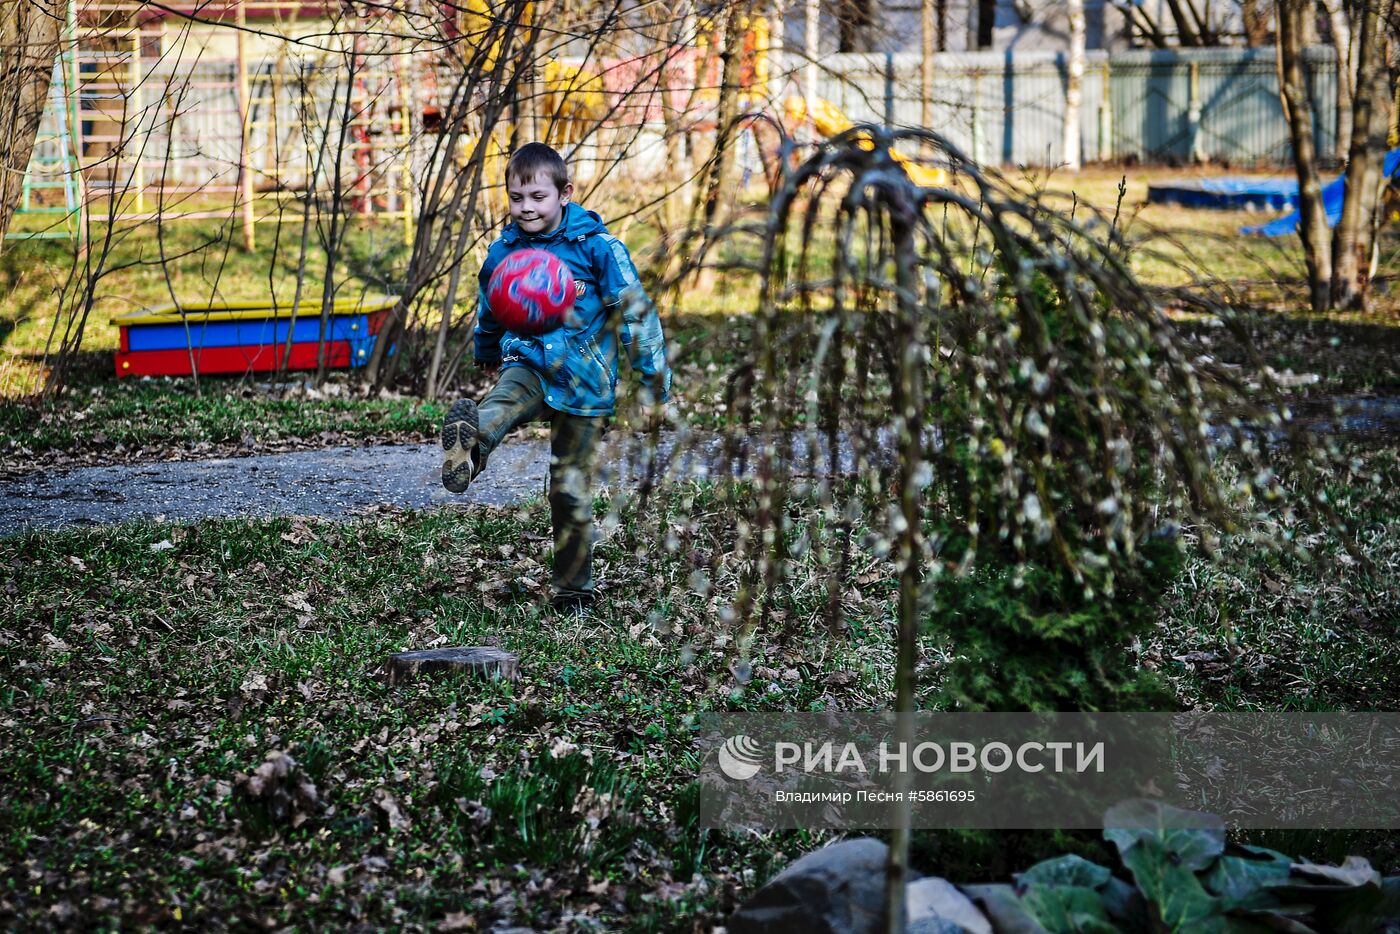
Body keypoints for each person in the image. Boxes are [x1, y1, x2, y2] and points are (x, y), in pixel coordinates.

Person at [440, 142, 672, 614]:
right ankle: (469, 447)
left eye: (537, 197)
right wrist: (486, 348)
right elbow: (491, 305)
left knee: (569, 489)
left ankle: (573, 591)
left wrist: (651, 384)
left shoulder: (598, 249)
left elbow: (637, 316)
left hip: (585, 379)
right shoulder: (505, 250)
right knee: (500, 404)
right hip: (527, 362)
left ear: (565, 193)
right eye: (516, 197)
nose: (526, 208)